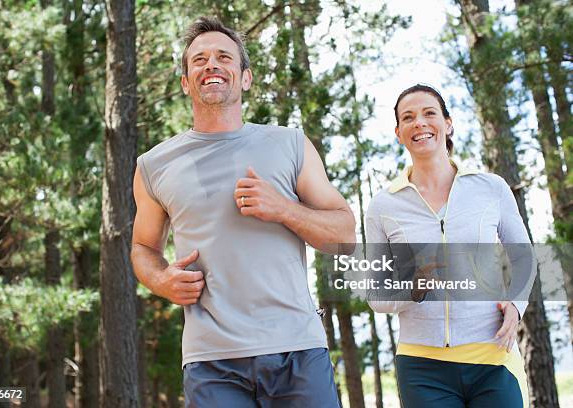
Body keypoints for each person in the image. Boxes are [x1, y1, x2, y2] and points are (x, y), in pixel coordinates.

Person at [131, 16, 354, 408]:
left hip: (297, 351)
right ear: (186, 82)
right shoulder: (154, 165)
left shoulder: (291, 144)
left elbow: (345, 237)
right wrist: (163, 280)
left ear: (245, 77)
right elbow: (142, 247)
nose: (211, 65)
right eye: (198, 60)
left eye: (223, 57)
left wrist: (284, 208)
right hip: (211, 362)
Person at [364, 84, 535, 408]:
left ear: (448, 123)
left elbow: (524, 257)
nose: (420, 123)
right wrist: (412, 289)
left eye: (429, 113)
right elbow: (376, 295)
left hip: (493, 355)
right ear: (399, 132)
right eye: (408, 117)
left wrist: (516, 304)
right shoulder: (383, 206)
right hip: (422, 367)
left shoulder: (491, 188)